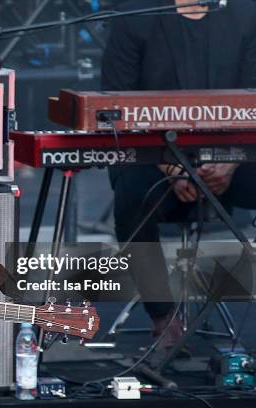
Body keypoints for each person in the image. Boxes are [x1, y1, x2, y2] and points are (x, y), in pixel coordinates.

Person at [101, 0, 256, 347]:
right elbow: (114, 103)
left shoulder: (247, 14)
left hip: (233, 156)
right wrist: (170, 166)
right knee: (130, 195)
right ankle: (163, 317)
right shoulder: (135, 16)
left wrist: (229, 160)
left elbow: (254, 99)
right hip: (153, 157)